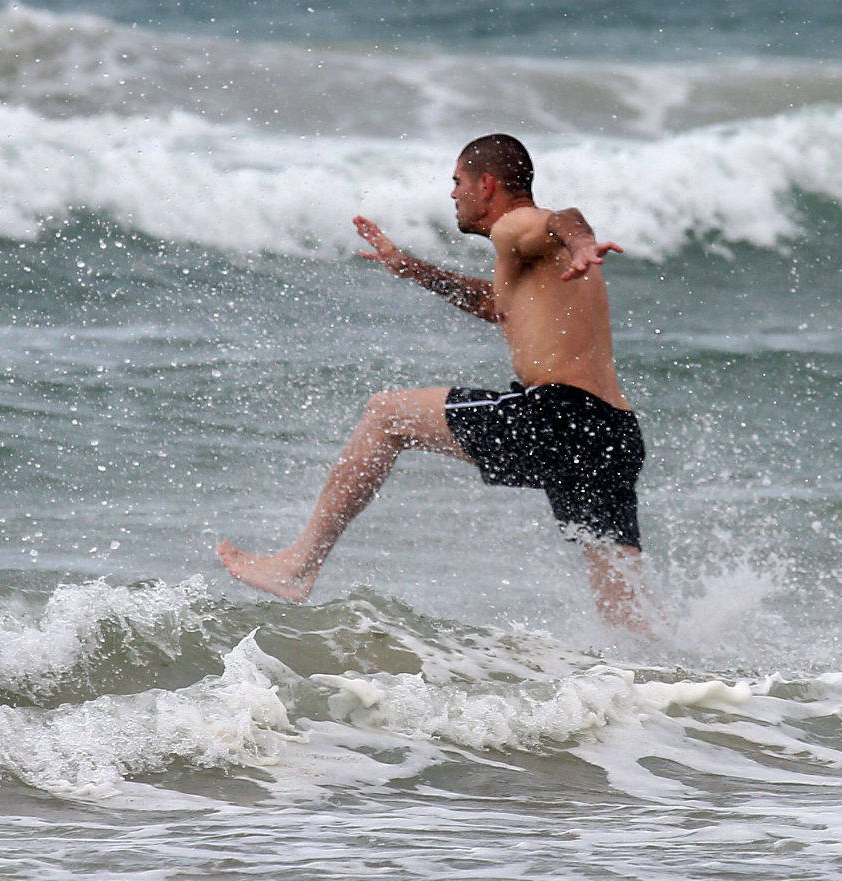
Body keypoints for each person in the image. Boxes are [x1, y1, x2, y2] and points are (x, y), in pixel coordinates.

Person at [217, 133, 654, 632]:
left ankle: (299, 566)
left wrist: (582, 244)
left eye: (458, 182)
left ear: (487, 185)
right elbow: (498, 305)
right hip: (611, 433)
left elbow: (562, 220)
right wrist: (411, 269)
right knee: (624, 606)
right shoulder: (529, 264)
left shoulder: (517, 226)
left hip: (559, 415)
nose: (452, 194)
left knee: (387, 414)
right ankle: (662, 686)